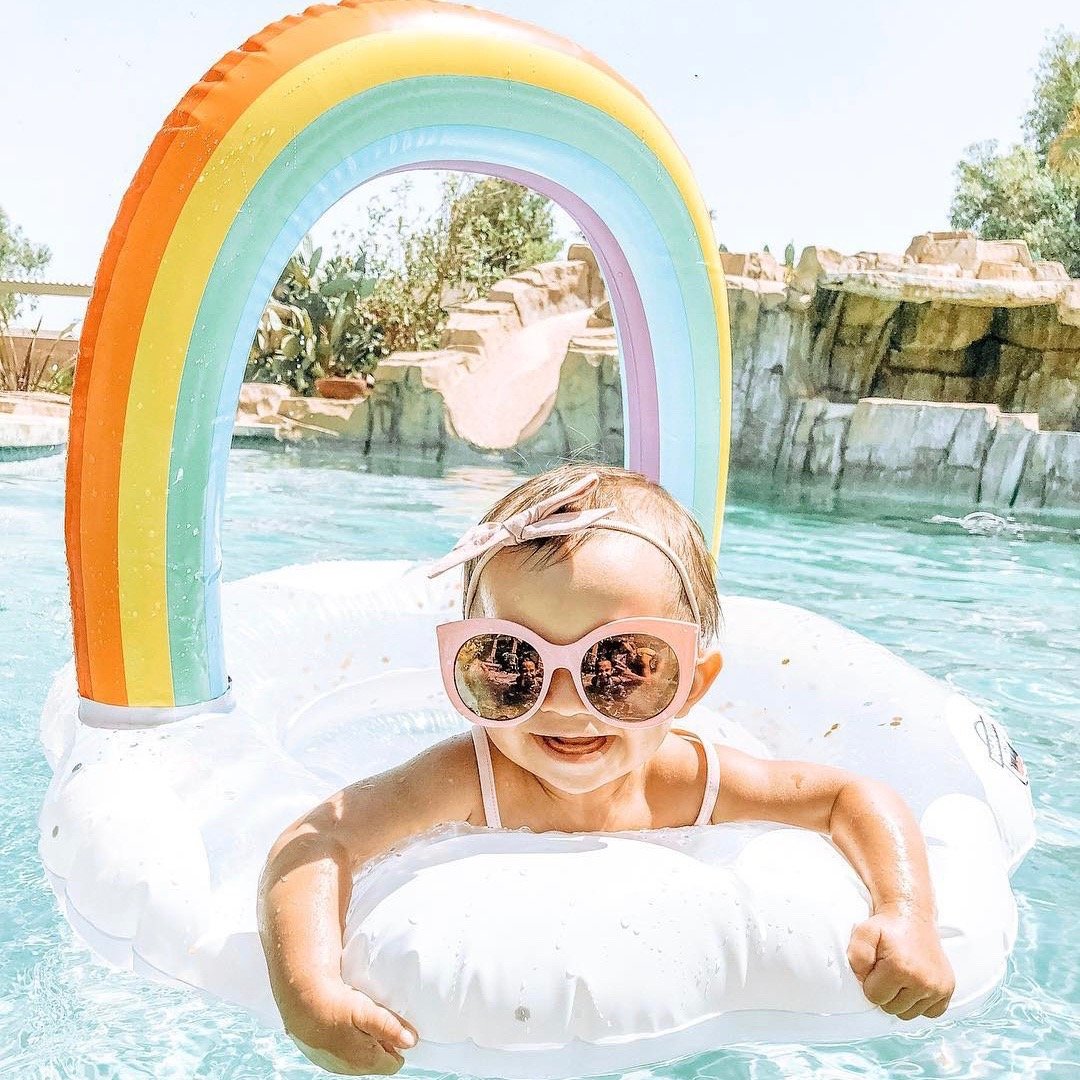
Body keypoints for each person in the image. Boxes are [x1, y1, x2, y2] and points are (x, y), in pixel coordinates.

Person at [258, 463, 955, 1076]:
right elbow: (316, 842)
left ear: (691, 686)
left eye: (621, 666)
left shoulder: (689, 778)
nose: (565, 706)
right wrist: (310, 992)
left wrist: (907, 914)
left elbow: (850, 797)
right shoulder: (469, 778)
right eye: (510, 664)